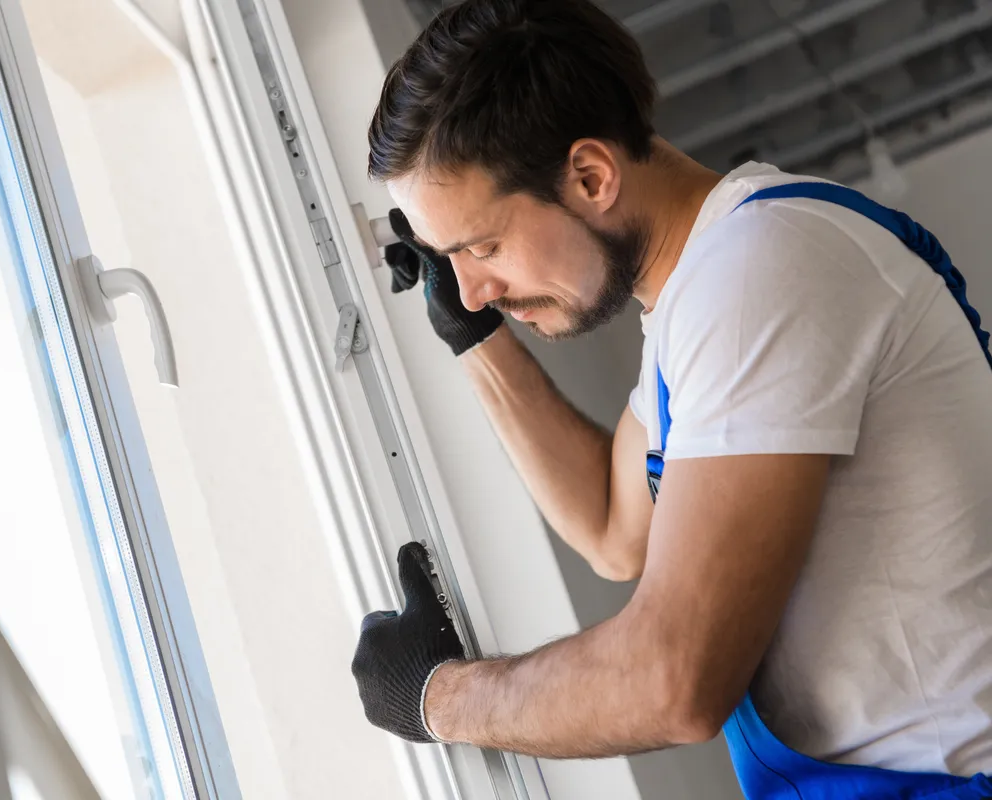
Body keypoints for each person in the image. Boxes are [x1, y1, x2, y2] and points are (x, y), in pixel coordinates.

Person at [347, 0, 992, 797]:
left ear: (590, 176)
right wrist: (472, 338)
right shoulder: (695, 305)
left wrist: (437, 697)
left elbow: (675, 679)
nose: (474, 287)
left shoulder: (761, 269)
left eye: (482, 246)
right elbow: (615, 530)